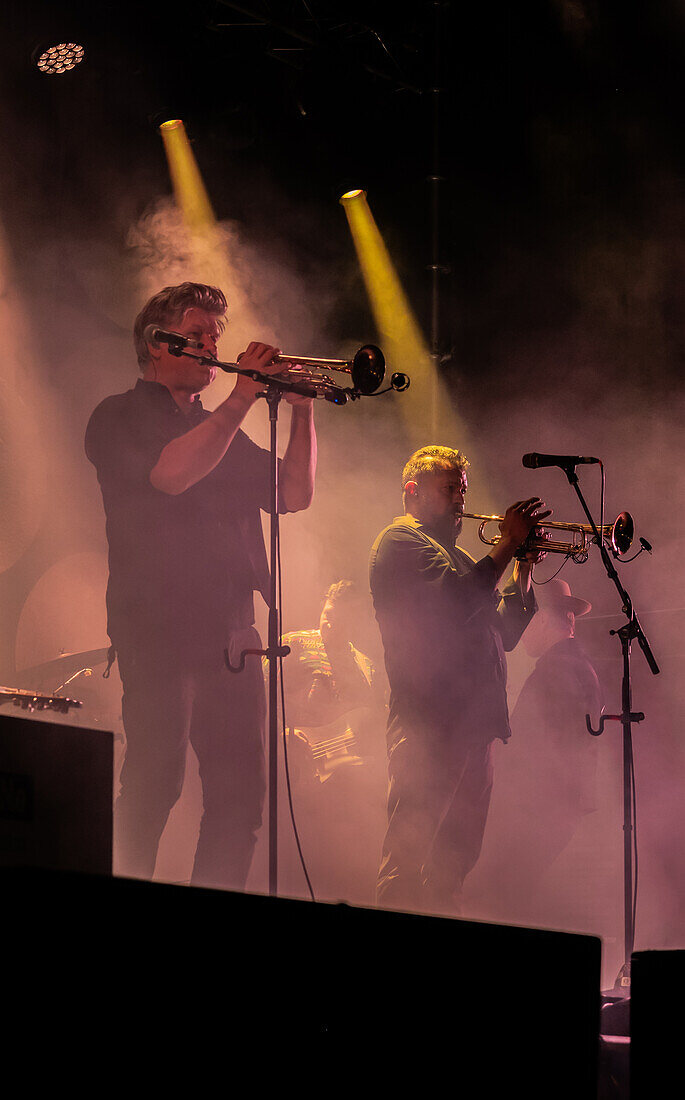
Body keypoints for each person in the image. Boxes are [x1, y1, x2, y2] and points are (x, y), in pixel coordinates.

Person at [85, 281, 316, 889]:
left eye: (217, 332)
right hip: (159, 632)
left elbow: (294, 494)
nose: (214, 344)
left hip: (234, 641)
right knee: (156, 783)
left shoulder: (224, 428)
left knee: (241, 801)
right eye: (199, 333)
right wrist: (242, 394)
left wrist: (303, 408)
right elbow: (170, 476)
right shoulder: (117, 416)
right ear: (158, 344)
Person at [368, 444, 549, 916]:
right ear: (413, 491)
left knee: (453, 864)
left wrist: (524, 566)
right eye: (450, 490)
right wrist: (506, 545)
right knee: (408, 861)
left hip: (473, 728)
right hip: (430, 726)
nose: (462, 502)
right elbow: (454, 604)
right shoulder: (400, 542)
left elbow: (504, 634)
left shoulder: (460, 554)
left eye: (463, 491)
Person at [469, 577, 604, 925]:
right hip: (559, 809)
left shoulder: (557, 670)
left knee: (497, 900)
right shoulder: (578, 666)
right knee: (512, 898)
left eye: (526, 618)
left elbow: (530, 747)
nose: (520, 630)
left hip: (541, 809)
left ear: (543, 619)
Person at [274, 581, 387, 904]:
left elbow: (369, 723)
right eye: (327, 615)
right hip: (292, 771)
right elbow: (257, 692)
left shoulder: (366, 665)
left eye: (339, 619)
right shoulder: (294, 643)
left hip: (340, 790)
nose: (329, 623)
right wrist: (281, 731)